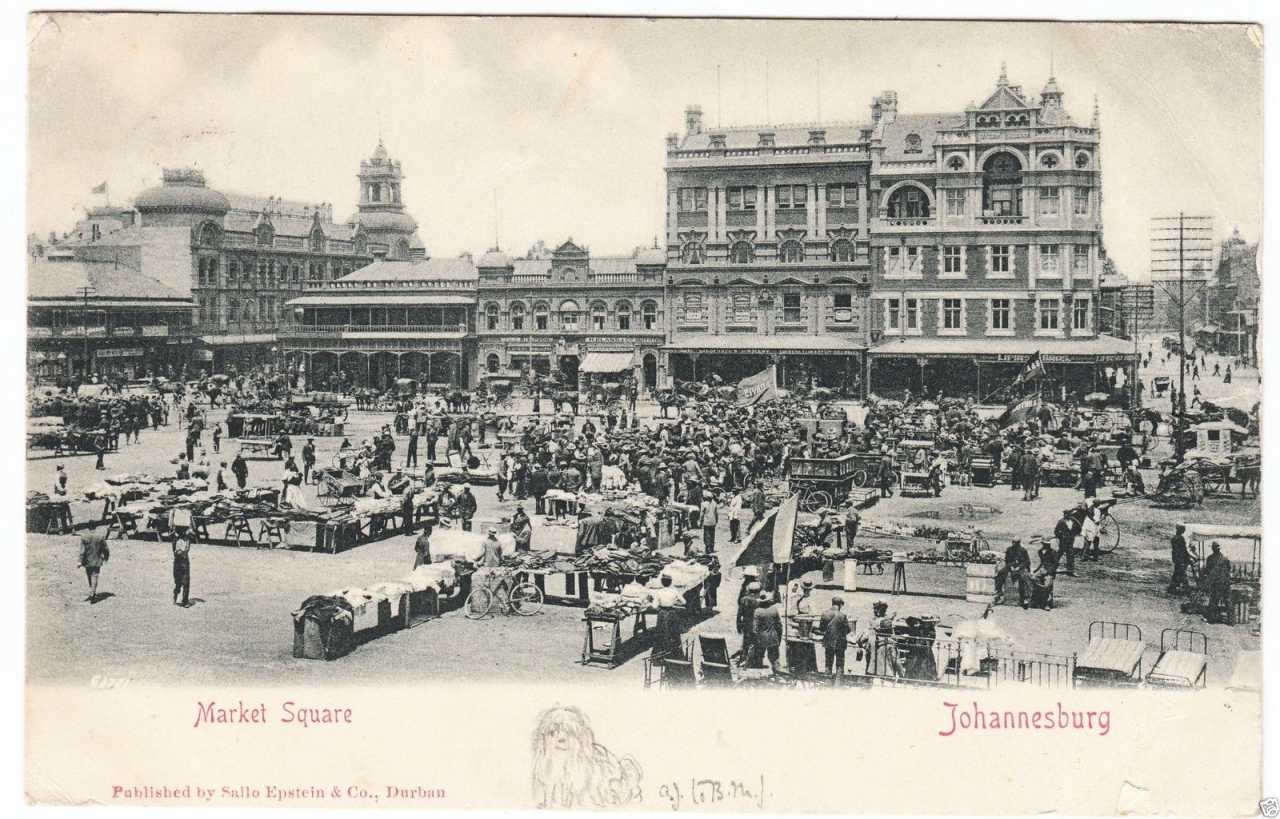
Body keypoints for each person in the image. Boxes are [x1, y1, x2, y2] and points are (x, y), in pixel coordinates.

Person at [650, 575, 687, 660]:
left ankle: (661, 656)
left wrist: (658, 604)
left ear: (662, 583)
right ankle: (675, 656)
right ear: (670, 582)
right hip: (672, 613)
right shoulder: (674, 591)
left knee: (662, 634)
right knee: (674, 634)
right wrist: (674, 602)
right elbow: (684, 602)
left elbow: (654, 606)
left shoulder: (659, 592)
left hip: (662, 614)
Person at [818, 597, 852, 678]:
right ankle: (838, 683)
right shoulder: (842, 616)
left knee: (828, 664)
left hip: (828, 642)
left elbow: (821, 629)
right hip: (840, 643)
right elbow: (848, 630)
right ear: (840, 605)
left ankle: (827, 681)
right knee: (840, 665)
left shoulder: (824, 614)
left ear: (832, 603)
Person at [752, 592, 783, 674]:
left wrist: (755, 639)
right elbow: (779, 626)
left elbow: (755, 629)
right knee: (775, 659)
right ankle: (777, 673)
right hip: (773, 637)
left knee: (759, 658)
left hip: (762, 638)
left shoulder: (757, 611)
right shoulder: (774, 610)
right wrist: (779, 639)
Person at [994, 538, 1031, 608]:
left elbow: (1027, 562)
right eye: (1013, 542)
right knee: (1000, 573)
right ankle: (998, 592)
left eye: (1016, 543)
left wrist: (1019, 567)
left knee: (1023, 578)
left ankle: (1024, 598)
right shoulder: (1009, 549)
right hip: (1010, 567)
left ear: (1019, 543)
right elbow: (1007, 560)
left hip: (1020, 568)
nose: (1014, 544)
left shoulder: (1023, 550)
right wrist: (1010, 567)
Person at [78, 526, 109, 603]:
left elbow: (82, 551)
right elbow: (106, 549)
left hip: (87, 560)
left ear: (88, 528)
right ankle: (93, 592)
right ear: (95, 528)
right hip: (97, 559)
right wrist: (106, 557)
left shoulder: (84, 537)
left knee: (89, 575)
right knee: (94, 575)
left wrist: (79, 561)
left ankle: (92, 591)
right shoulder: (100, 537)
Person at [1203, 541, 1232, 622]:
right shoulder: (1225, 558)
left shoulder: (1210, 558)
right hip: (1226, 582)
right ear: (1219, 549)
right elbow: (1229, 569)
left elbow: (1207, 571)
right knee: (1228, 601)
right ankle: (1231, 621)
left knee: (1214, 601)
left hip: (1216, 583)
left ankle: (1212, 619)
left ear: (1212, 549)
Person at [736, 580, 760, 667]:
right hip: (755, 624)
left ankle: (744, 659)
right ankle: (753, 661)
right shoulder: (758, 601)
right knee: (754, 642)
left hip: (746, 623)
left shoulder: (743, 599)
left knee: (745, 642)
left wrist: (738, 625)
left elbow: (739, 614)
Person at [171, 525, 192, 607]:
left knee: (186, 582)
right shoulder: (175, 539)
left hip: (184, 561)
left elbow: (186, 549)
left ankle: (185, 601)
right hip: (178, 561)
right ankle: (175, 596)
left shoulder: (187, 539)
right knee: (178, 582)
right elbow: (175, 551)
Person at [1167, 524, 1191, 595]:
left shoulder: (1174, 538)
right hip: (1181, 560)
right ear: (1181, 530)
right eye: (1183, 529)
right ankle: (1187, 590)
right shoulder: (1180, 538)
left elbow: (1177, 551)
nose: (1184, 530)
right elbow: (1183, 550)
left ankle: (1172, 588)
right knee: (1183, 575)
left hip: (1177, 559)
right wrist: (1187, 558)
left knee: (1177, 573)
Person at [1053, 508, 1077, 577]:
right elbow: (1056, 531)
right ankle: (1053, 569)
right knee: (1059, 555)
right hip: (1063, 542)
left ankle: (1071, 571)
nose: (1068, 515)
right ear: (1064, 514)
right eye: (1066, 514)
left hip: (1070, 541)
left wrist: (1073, 535)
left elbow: (1075, 529)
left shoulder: (1072, 521)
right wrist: (1061, 536)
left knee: (1070, 555)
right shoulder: (1061, 522)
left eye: (1069, 514)